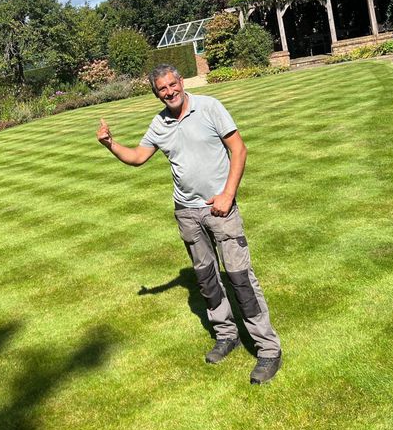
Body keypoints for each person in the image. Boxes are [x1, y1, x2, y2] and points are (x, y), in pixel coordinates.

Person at [97, 63, 281, 384]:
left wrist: (227, 194)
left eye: (172, 85)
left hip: (220, 209)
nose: (169, 92)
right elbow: (139, 157)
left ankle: (267, 349)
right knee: (207, 279)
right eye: (162, 89)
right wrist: (111, 144)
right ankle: (226, 335)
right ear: (156, 93)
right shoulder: (160, 123)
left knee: (239, 278)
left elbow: (238, 149)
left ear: (181, 82)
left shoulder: (209, 107)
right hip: (186, 212)